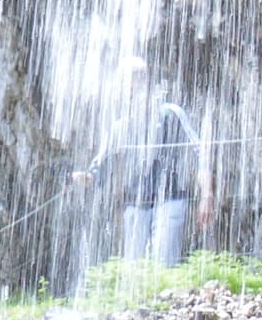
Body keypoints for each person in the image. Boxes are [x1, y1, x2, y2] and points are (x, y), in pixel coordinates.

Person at [82, 63, 211, 268]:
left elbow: (199, 153)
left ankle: (165, 298)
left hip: (170, 198)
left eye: (136, 81)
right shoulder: (121, 126)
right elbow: (100, 165)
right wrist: (84, 177)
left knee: (164, 266)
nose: (130, 90)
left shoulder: (171, 114)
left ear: (146, 83)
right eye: (127, 84)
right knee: (134, 271)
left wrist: (206, 196)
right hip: (135, 202)